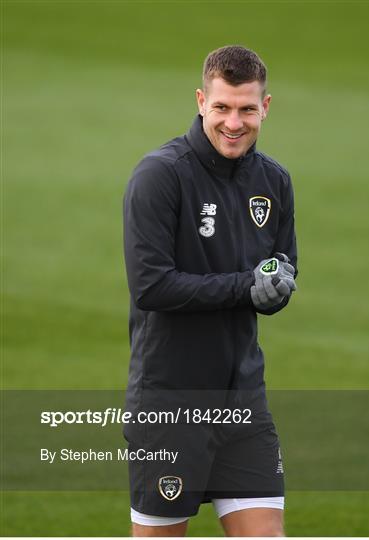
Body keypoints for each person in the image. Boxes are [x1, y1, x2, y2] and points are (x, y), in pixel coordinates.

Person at [123, 45, 298, 537]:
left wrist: (277, 286)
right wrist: (248, 286)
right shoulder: (160, 175)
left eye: (246, 108)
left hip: (243, 401)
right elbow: (151, 286)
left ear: (265, 107)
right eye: (222, 107)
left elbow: (282, 267)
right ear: (202, 101)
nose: (233, 122)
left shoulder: (275, 181)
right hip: (169, 404)